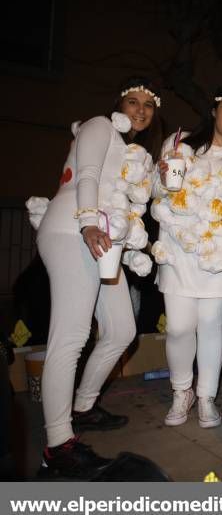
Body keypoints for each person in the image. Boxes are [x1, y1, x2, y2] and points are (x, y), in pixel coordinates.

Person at [32, 77, 162, 478]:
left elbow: (145, 192)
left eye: (148, 105)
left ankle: (83, 406)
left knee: (122, 329)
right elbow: (87, 174)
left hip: (103, 238)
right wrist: (88, 223)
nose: (139, 109)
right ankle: (58, 445)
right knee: (70, 337)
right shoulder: (99, 126)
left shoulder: (131, 151)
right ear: (118, 104)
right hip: (74, 230)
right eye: (132, 101)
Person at [151, 83, 222, 429]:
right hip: (179, 250)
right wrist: (163, 179)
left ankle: (207, 396)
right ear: (213, 111)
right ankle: (183, 391)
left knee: (211, 326)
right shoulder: (180, 144)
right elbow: (154, 189)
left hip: (218, 255)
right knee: (179, 327)